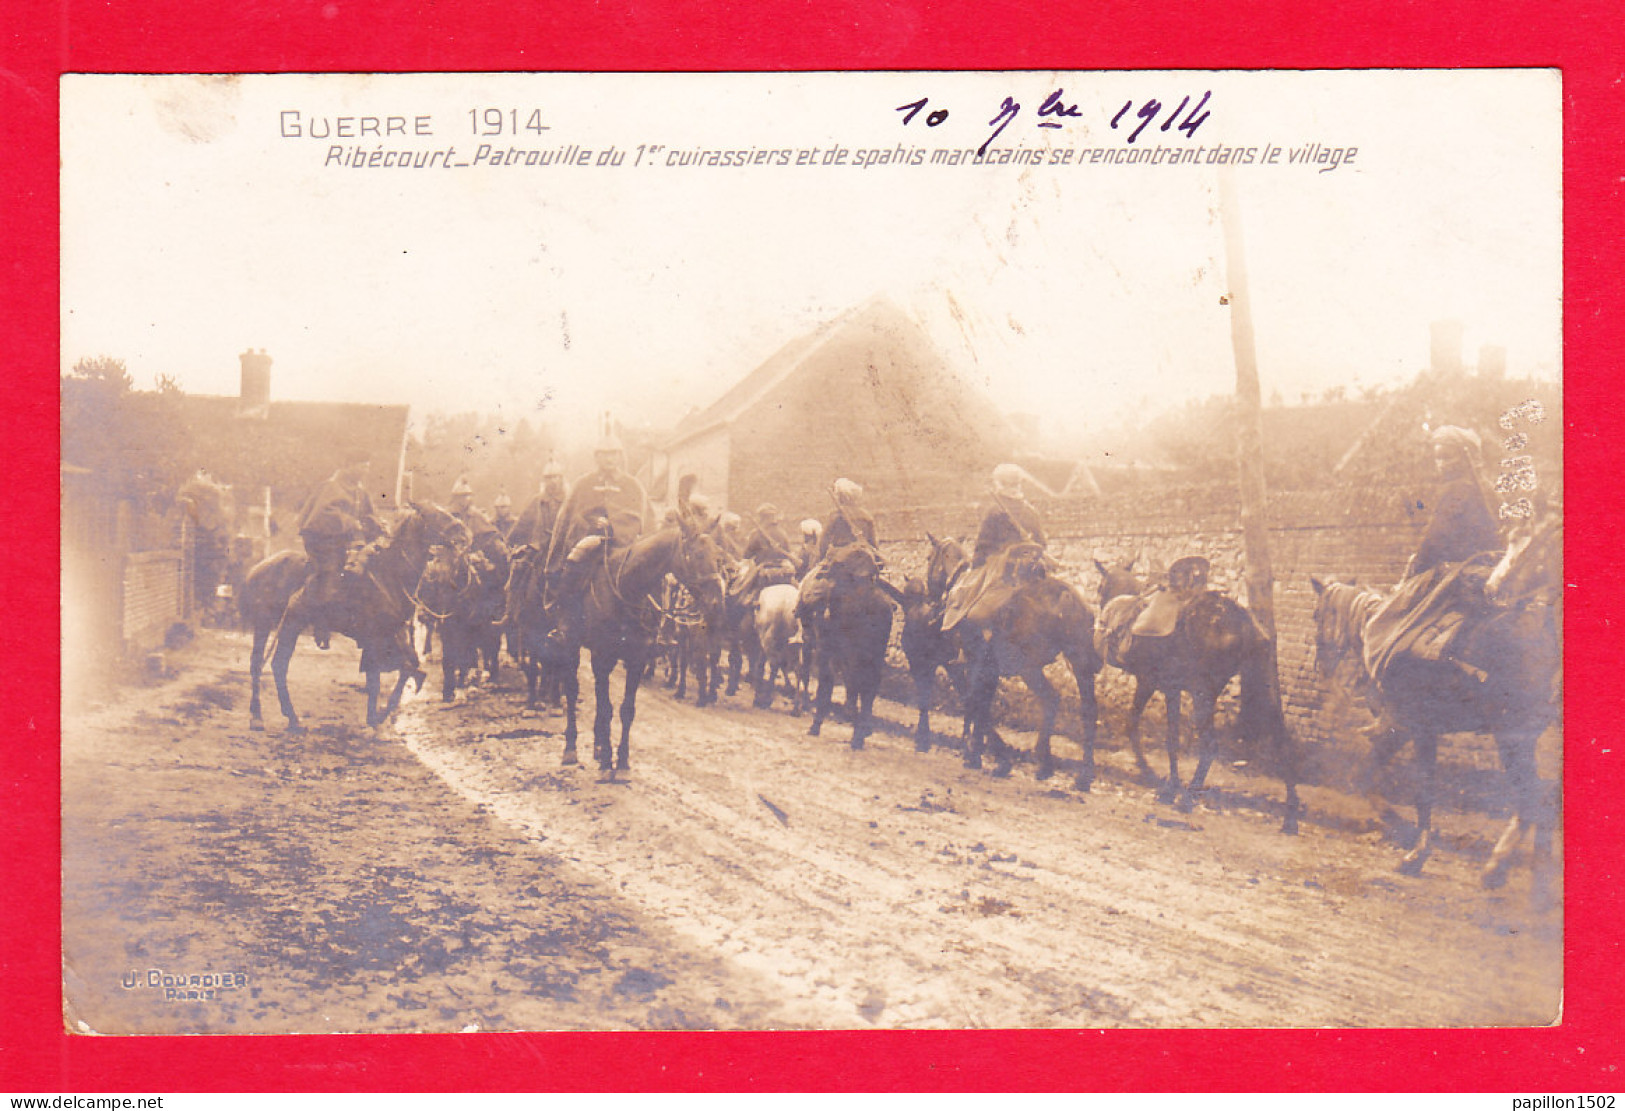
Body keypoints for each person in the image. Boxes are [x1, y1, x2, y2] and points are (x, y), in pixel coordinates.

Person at [1363, 424, 1502, 681]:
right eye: (1437, 457)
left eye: (1447, 457)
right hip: (1490, 569)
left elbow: (1434, 540)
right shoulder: (1487, 488)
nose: (1441, 464)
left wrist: (1413, 572)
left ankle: (1395, 683)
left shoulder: (1456, 491)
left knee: (1386, 621)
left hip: (1457, 574)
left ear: (1465, 458)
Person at [543, 434, 653, 644]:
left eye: (613, 455)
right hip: (589, 541)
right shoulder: (583, 484)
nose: (609, 460)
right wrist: (590, 523)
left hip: (624, 544)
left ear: (620, 457)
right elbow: (569, 516)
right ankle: (565, 621)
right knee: (573, 566)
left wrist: (614, 526)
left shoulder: (632, 485)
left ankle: (652, 629)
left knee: (649, 575)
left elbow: (640, 516)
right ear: (597, 458)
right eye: (604, 455)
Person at [942, 463, 1047, 632]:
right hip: (1031, 568)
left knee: (965, 605)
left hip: (1001, 570)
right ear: (1019, 484)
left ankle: (967, 653)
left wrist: (974, 567)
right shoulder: (1031, 511)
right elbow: (1042, 543)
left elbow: (982, 547)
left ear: (1000, 484)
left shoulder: (994, 511)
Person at [296, 457, 383, 649]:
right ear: (348, 466)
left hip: (349, 542)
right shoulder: (331, 487)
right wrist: (351, 522)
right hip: (323, 541)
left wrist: (378, 523)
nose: (365, 471)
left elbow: (369, 513)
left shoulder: (360, 491)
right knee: (331, 573)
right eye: (361, 466)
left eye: (367, 467)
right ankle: (321, 624)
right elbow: (322, 515)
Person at [797, 478, 880, 619]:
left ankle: (801, 617)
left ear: (840, 496)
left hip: (841, 563)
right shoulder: (867, 516)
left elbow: (823, 544)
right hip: (864, 562)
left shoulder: (835, 516)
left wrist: (819, 561)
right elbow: (874, 544)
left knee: (809, 588)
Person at [509, 457, 569, 549]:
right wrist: (509, 542)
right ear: (545, 480)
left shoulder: (568, 500)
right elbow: (522, 524)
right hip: (540, 548)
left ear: (561, 478)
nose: (553, 481)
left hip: (563, 547)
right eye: (549, 478)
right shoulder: (537, 501)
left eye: (555, 477)